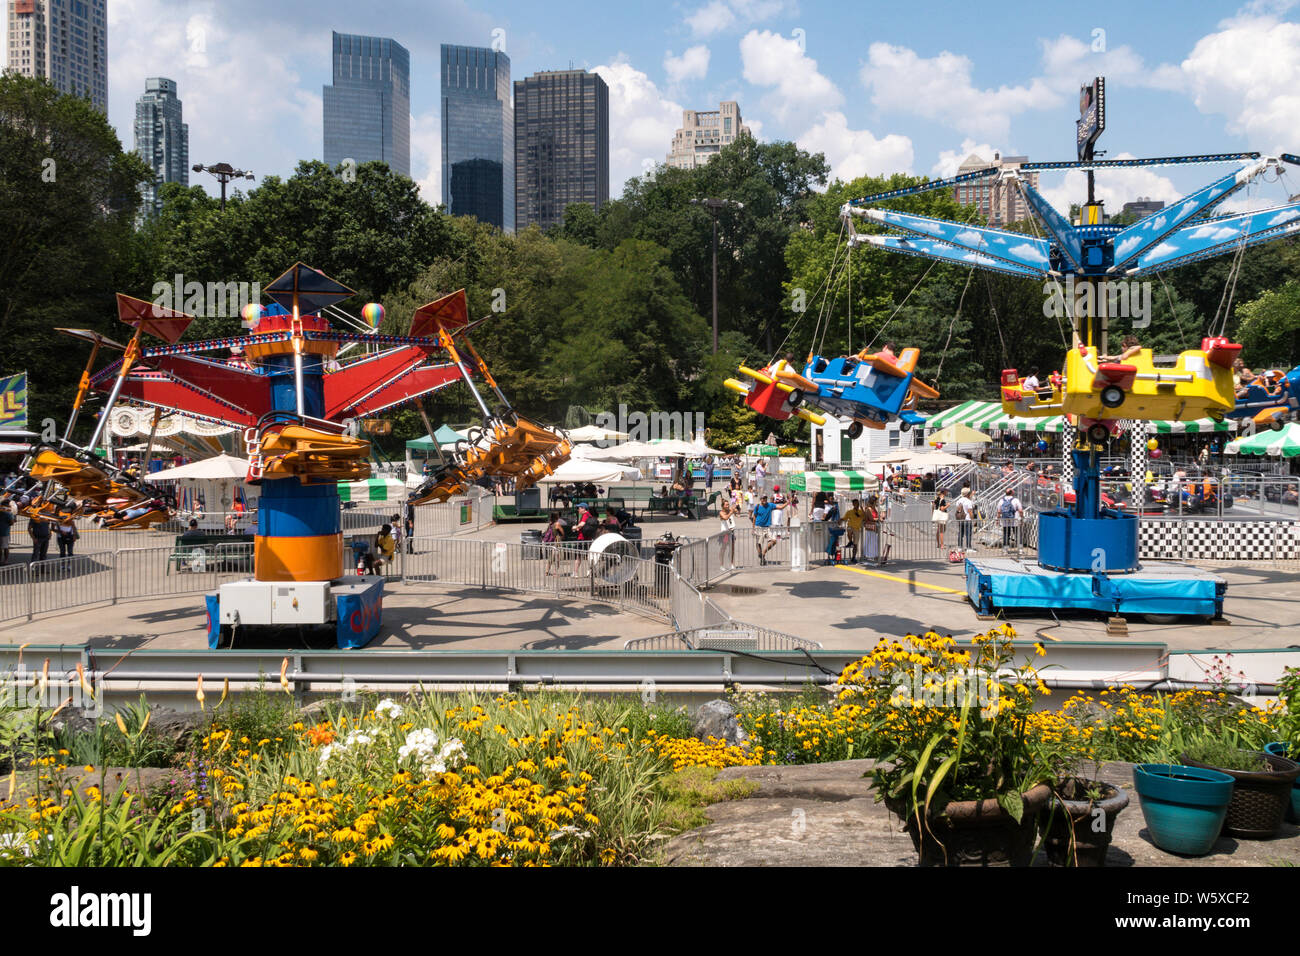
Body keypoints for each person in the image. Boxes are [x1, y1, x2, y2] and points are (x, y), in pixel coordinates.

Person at [750, 494, 778, 565]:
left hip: (767, 527)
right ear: (760, 499)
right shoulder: (757, 506)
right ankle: (762, 558)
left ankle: (763, 553)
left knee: (774, 541)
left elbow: (780, 507)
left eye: (765, 498)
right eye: (763, 498)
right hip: (758, 526)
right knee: (758, 543)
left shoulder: (770, 505)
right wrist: (753, 528)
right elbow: (754, 517)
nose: (764, 499)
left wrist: (787, 503)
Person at [953, 487, 977, 554]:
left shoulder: (959, 500)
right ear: (967, 494)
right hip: (967, 519)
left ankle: (960, 547)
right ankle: (968, 547)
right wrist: (973, 519)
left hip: (961, 519)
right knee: (968, 534)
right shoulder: (968, 501)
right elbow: (970, 512)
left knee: (960, 533)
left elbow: (958, 510)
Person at [843, 498, 866, 563]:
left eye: (857, 503)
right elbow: (844, 518)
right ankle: (850, 541)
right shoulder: (849, 512)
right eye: (855, 503)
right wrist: (840, 520)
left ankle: (853, 557)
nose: (856, 505)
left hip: (857, 529)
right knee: (849, 530)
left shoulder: (861, 512)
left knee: (855, 544)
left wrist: (862, 509)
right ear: (853, 504)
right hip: (851, 527)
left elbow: (865, 517)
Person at [717, 496, 736, 571]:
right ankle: (721, 565)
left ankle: (731, 564)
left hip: (731, 532)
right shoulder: (721, 512)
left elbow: (737, 513)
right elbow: (725, 518)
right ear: (723, 506)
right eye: (726, 505)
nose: (728, 506)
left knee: (732, 549)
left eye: (728, 504)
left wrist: (735, 509)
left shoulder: (730, 510)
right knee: (723, 549)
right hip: (725, 533)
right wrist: (731, 512)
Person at [862, 495, 881, 563]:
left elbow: (877, 516)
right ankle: (869, 554)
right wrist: (878, 519)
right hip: (870, 526)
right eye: (876, 501)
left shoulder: (874, 508)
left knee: (874, 541)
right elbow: (871, 518)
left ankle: (874, 554)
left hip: (874, 527)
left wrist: (879, 518)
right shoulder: (869, 509)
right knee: (870, 541)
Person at [0, 495, 13, 566]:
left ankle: (1, 560)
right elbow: (11, 522)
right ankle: (5, 560)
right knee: (5, 547)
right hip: (5, 532)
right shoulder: (8, 513)